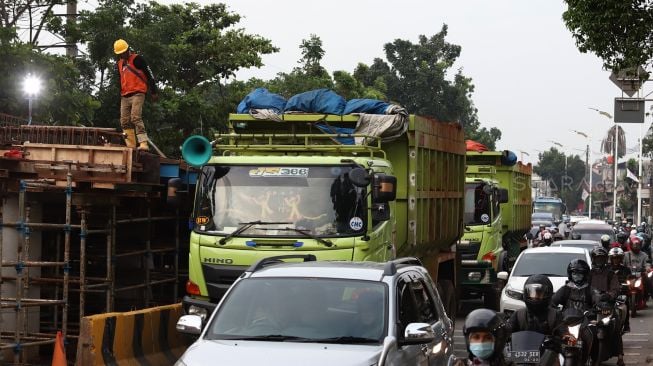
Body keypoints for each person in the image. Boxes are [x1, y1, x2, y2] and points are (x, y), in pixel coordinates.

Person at [113, 39, 158, 151]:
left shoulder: (138, 59)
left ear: (128, 50)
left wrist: (154, 91)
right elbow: (121, 80)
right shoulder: (119, 64)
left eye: (123, 52)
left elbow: (149, 74)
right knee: (124, 121)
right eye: (120, 54)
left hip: (138, 93)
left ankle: (143, 143)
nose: (122, 55)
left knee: (135, 117)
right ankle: (131, 145)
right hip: (125, 95)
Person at [589, 246, 624, 366]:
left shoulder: (610, 273)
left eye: (601, 258)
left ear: (605, 259)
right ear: (593, 259)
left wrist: (609, 295)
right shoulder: (589, 273)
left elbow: (615, 288)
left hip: (607, 306)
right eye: (597, 258)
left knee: (616, 325)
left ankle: (620, 356)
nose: (599, 260)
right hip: (592, 306)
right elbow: (584, 287)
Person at [507, 275, 565, 343]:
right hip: (522, 351)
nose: (535, 297)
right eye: (532, 293)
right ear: (526, 293)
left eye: (539, 294)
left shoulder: (555, 315)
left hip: (546, 352)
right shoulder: (518, 314)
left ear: (548, 294)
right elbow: (507, 331)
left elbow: (563, 333)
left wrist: (566, 336)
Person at [609, 247, 631, 332]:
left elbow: (630, 279)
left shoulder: (626, 269)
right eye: (614, 258)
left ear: (621, 258)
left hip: (622, 293)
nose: (616, 260)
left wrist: (627, 284)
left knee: (626, 303)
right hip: (609, 292)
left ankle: (626, 324)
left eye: (617, 258)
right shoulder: (606, 269)